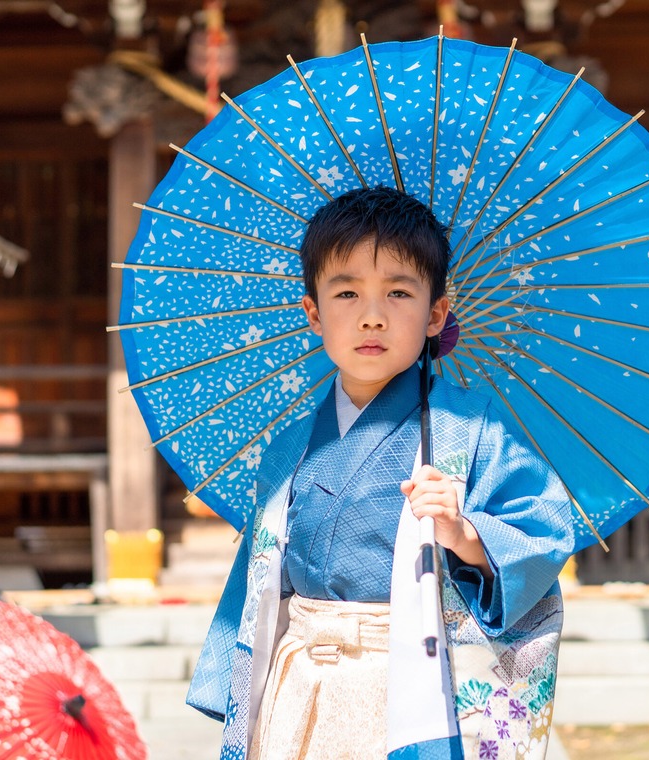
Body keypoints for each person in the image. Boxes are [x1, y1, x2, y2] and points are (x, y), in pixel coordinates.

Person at [187, 186, 577, 760]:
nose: (372, 316)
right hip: (298, 684)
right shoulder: (292, 444)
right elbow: (259, 580)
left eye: (399, 292)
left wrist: (463, 532)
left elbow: (541, 536)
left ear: (436, 314)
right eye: (346, 292)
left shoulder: (470, 428)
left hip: (411, 684)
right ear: (314, 313)